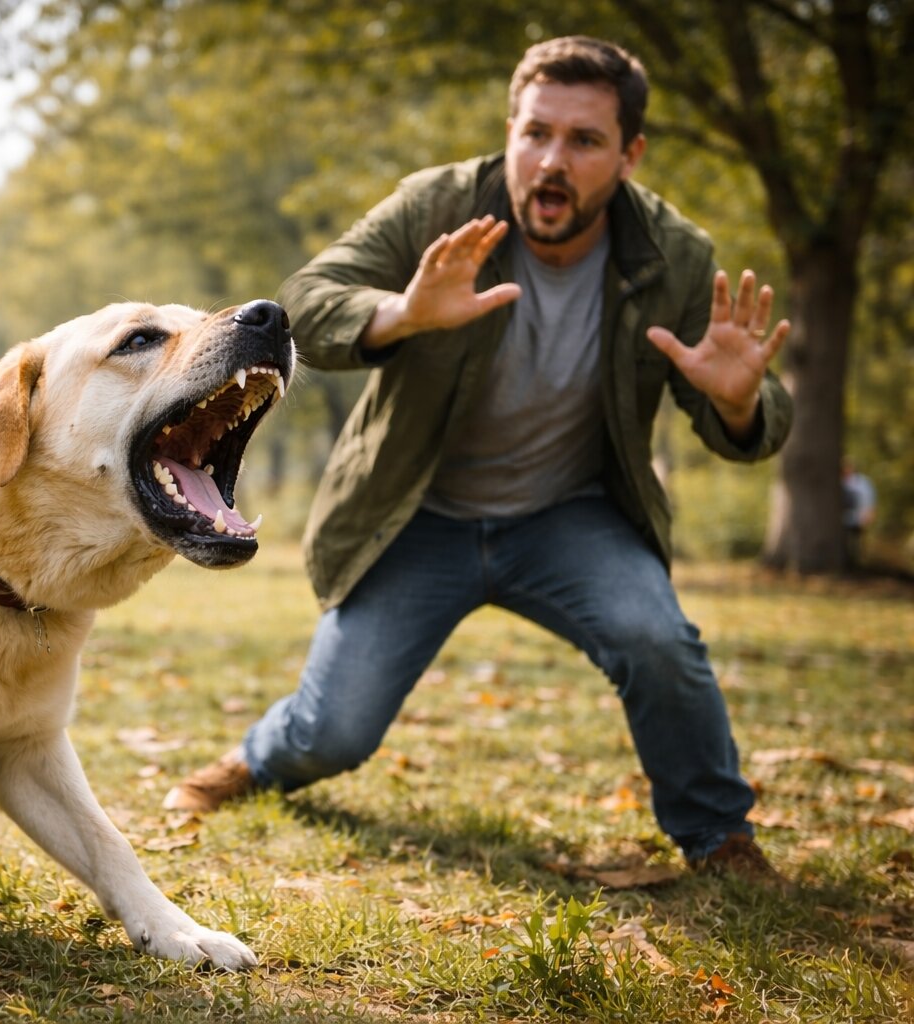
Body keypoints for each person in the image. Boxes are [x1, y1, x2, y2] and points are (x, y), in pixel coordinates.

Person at [163, 36, 794, 880]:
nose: (551, 161)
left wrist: (739, 400)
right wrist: (400, 313)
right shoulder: (439, 207)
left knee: (656, 637)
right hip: (414, 516)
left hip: (568, 518)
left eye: (584, 140)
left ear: (630, 154)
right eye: (536, 133)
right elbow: (303, 304)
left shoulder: (673, 256)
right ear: (510, 130)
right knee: (336, 732)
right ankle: (263, 757)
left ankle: (719, 835)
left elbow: (750, 418)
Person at [842, 459, 877, 566]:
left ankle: (854, 563)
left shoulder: (862, 482)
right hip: (839, 520)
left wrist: (868, 514)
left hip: (855, 519)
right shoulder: (838, 481)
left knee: (854, 542)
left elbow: (868, 499)